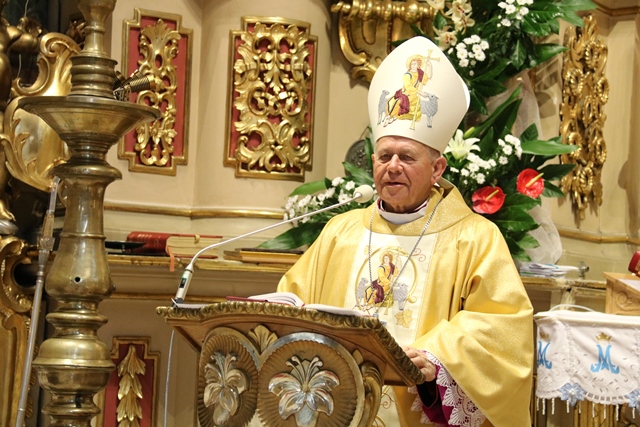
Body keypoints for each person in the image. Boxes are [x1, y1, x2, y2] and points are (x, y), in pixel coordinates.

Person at [277, 36, 533, 426]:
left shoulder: (474, 238)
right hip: (338, 410)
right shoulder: (340, 232)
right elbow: (292, 302)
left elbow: (503, 331)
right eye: (385, 156)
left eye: (407, 157)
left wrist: (435, 357)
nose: (393, 166)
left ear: (437, 169)